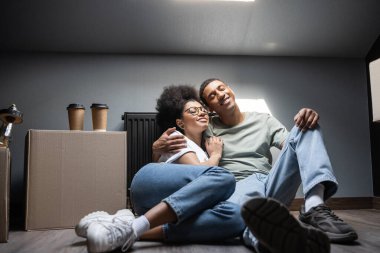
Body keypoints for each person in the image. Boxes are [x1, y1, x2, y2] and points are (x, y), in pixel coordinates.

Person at [153, 78, 358, 253]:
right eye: (212, 96)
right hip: (240, 184)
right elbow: (181, 144)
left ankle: (314, 205)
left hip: (272, 179)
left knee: (307, 126)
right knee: (245, 215)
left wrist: (305, 121)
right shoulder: (208, 126)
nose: (220, 94)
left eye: (221, 88)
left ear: (230, 90)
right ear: (209, 108)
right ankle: (273, 241)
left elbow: (293, 146)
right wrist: (157, 147)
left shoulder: (263, 120)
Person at [75, 85, 245, 253]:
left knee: (236, 217)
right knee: (226, 178)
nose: (201, 112)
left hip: (162, 207)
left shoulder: (201, 151)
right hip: (147, 182)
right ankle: (134, 226)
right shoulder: (176, 137)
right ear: (180, 122)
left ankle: (128, 227)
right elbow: (199, 175)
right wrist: (216, 155)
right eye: (193, 111)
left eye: (202, 109)